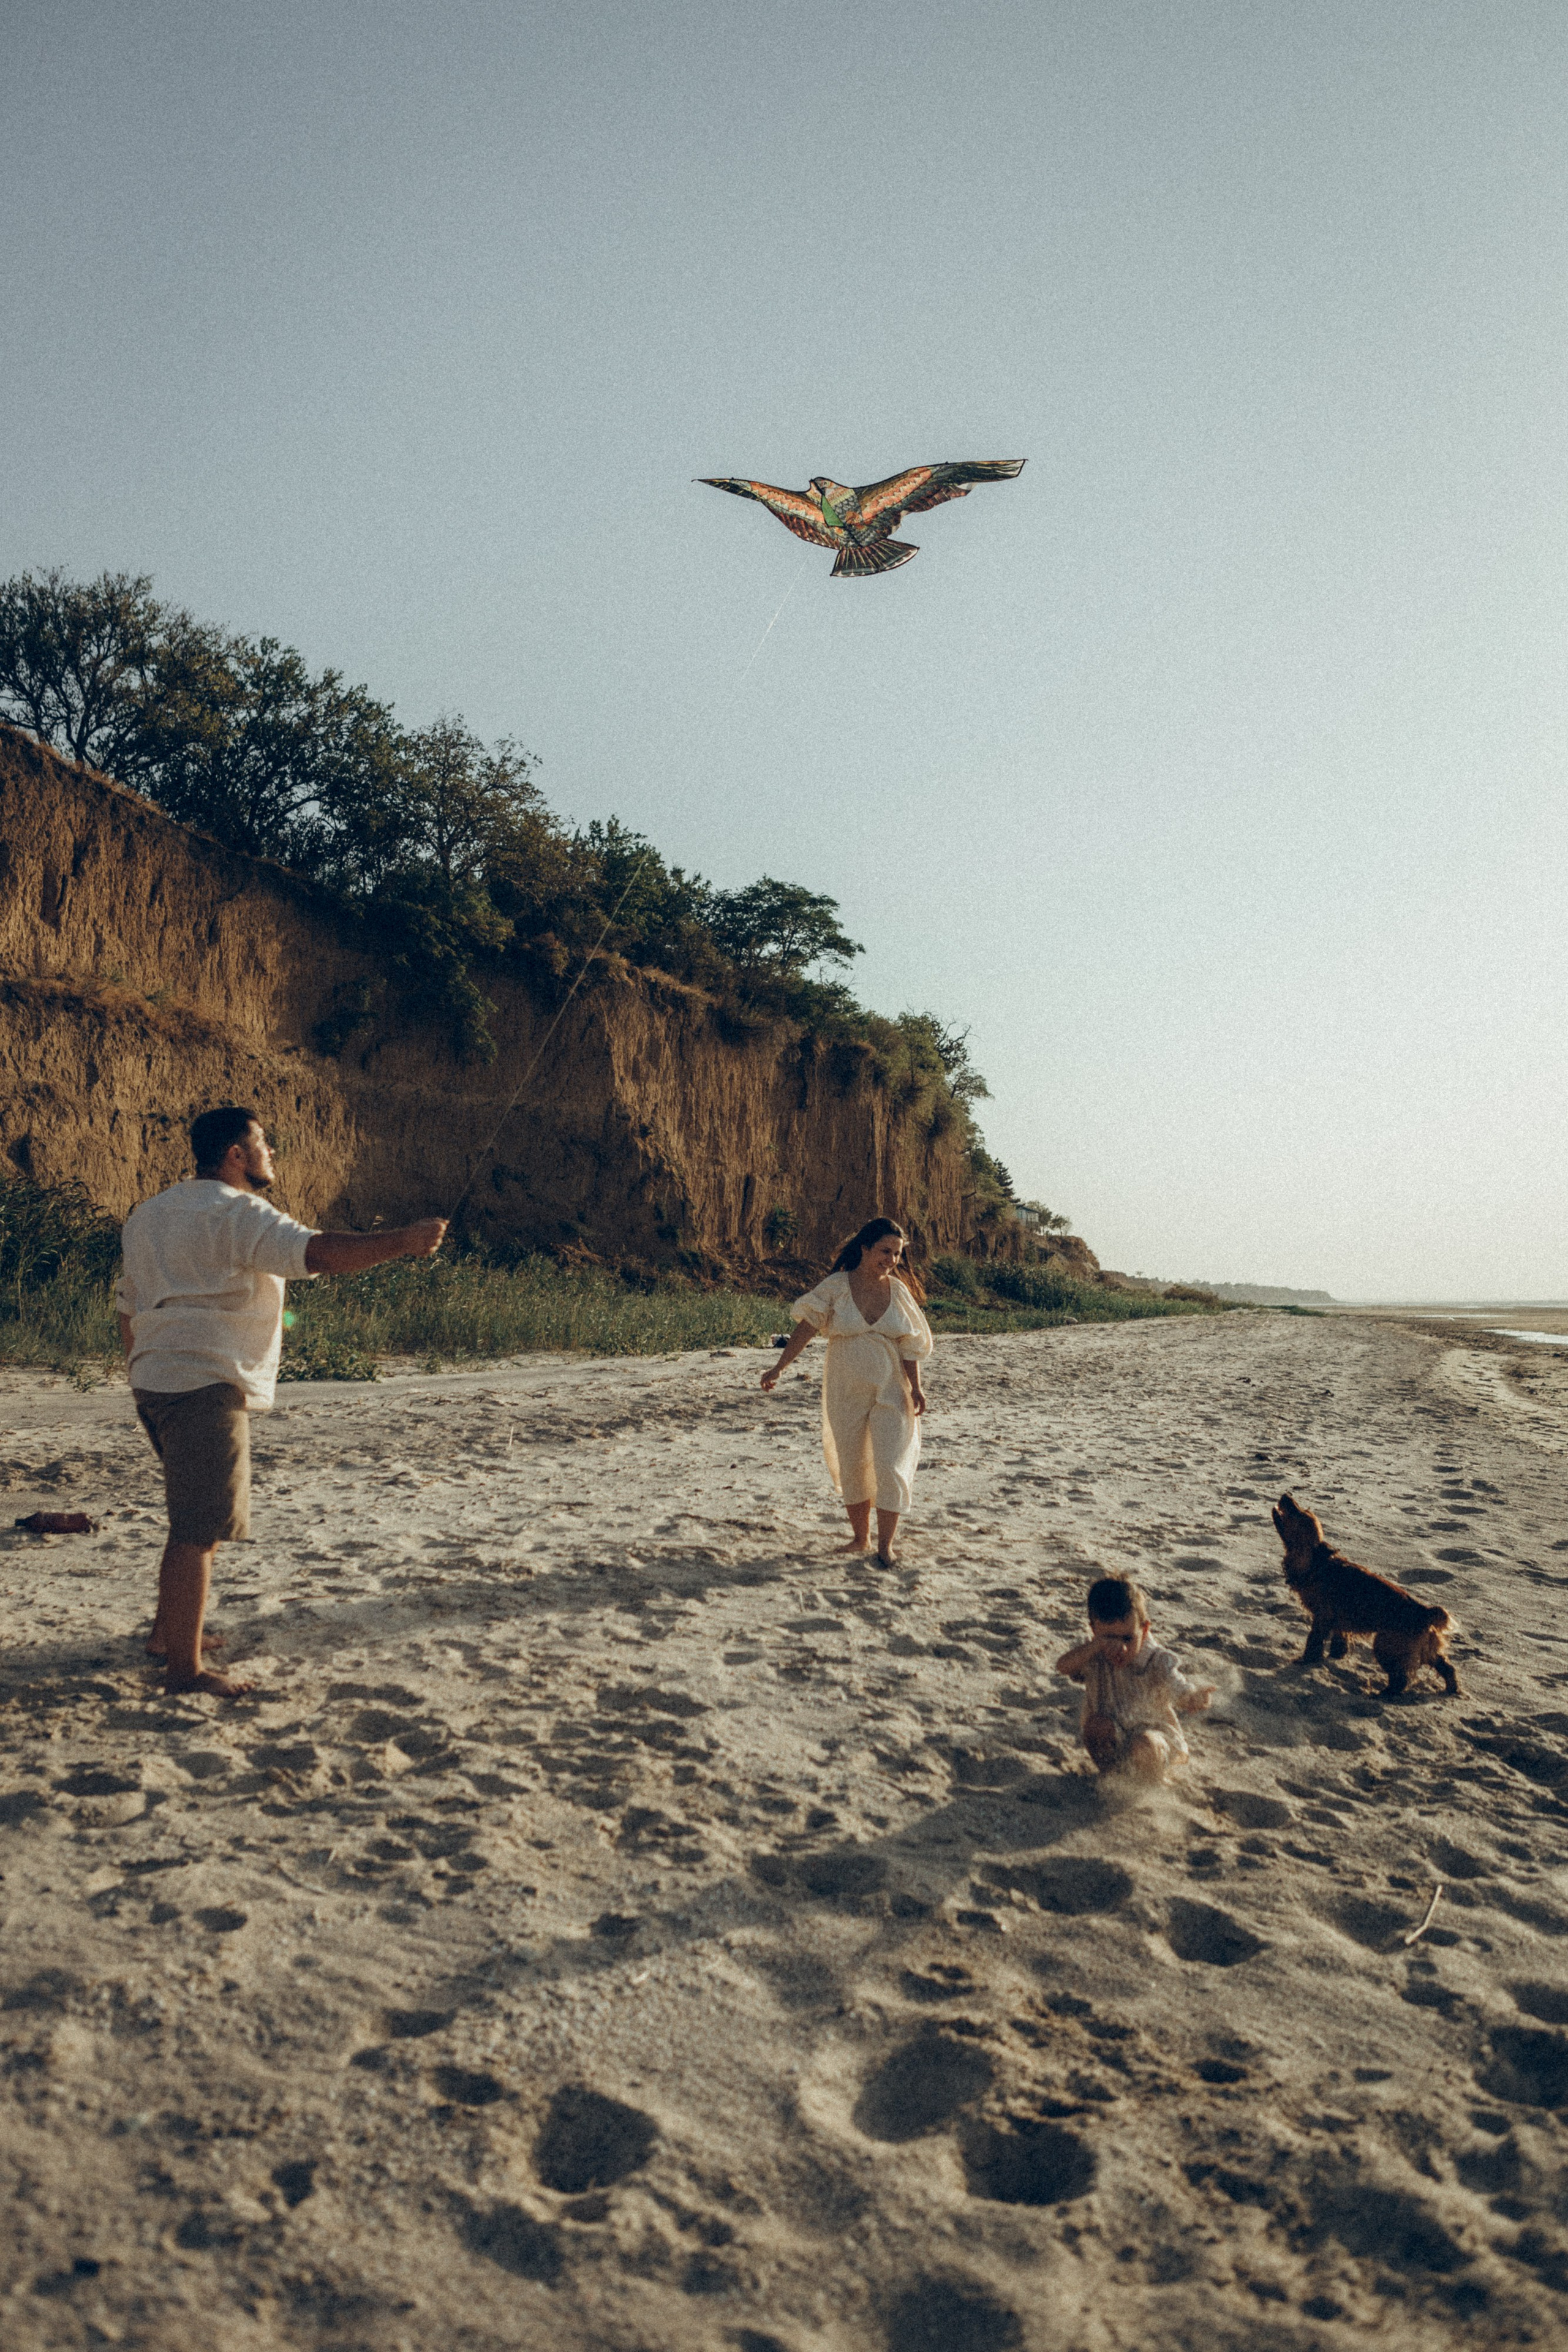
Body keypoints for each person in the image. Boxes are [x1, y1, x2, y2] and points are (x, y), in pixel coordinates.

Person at [116, 1105, 448, 1698]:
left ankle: (168, 1636)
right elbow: (317, 1253)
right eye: (263, 1143)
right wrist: (403, 1241)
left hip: (156, 1379)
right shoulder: (237, 1210)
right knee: (200, 1528)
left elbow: (127, 1304)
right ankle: (185, 1672)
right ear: (235, 1155)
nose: (272, 1153)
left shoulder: (151, 1212)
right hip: (205, 1382)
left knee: (191, 1513)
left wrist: (142, 1367)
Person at [761, 1216, 932, 1566]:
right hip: (845, 1386)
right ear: (865, 1248)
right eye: (885, 1251)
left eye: (897, 1254)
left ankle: (886, 1546)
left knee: (891, 1463)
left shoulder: (899, 1292)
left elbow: (910, 1344)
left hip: (891, 1387)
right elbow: (807, 1328)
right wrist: (780, 1367)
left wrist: (916, 1387)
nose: (892, 1260)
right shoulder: (837, 1286)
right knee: (853, 1461)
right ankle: (860, 1539)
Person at [1055, 1575, 1214, 1782]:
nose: (1120, 1647)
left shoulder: (1156, 1660)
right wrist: (1097, 1645)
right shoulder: (1093, 1654)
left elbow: (1178, 1686)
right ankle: (1112, 1779)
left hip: (1155, 1739)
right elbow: (1063, 1666)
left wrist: (1192, 1697)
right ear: (1094, 1630)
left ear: (1145, 1630)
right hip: (1114, 1736)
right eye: (1109, 1637)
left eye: (1128, 1638)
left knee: (1144, 1745)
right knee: (1095, 1727)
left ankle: (1149, 1786)